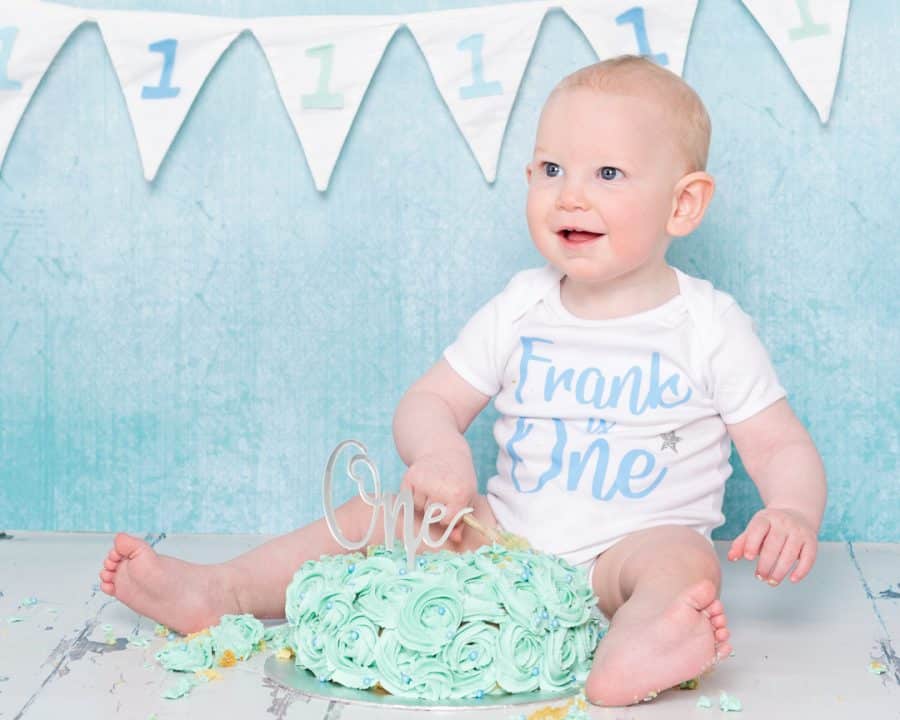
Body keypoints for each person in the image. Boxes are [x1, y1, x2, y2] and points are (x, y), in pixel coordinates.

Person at [98, 54, 826, 707]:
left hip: (623, 559)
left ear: (683, 204)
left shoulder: (708, 325)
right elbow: (429, 401)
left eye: (607, 174)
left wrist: (792, 510)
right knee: (377, 516)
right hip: (502, 543)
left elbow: (777, 445)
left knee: (684, 559)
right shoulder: (521, 307)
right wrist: (440, 455)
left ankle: (643, 647)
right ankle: (220, 590)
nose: (570, 195)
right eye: (551, 170)